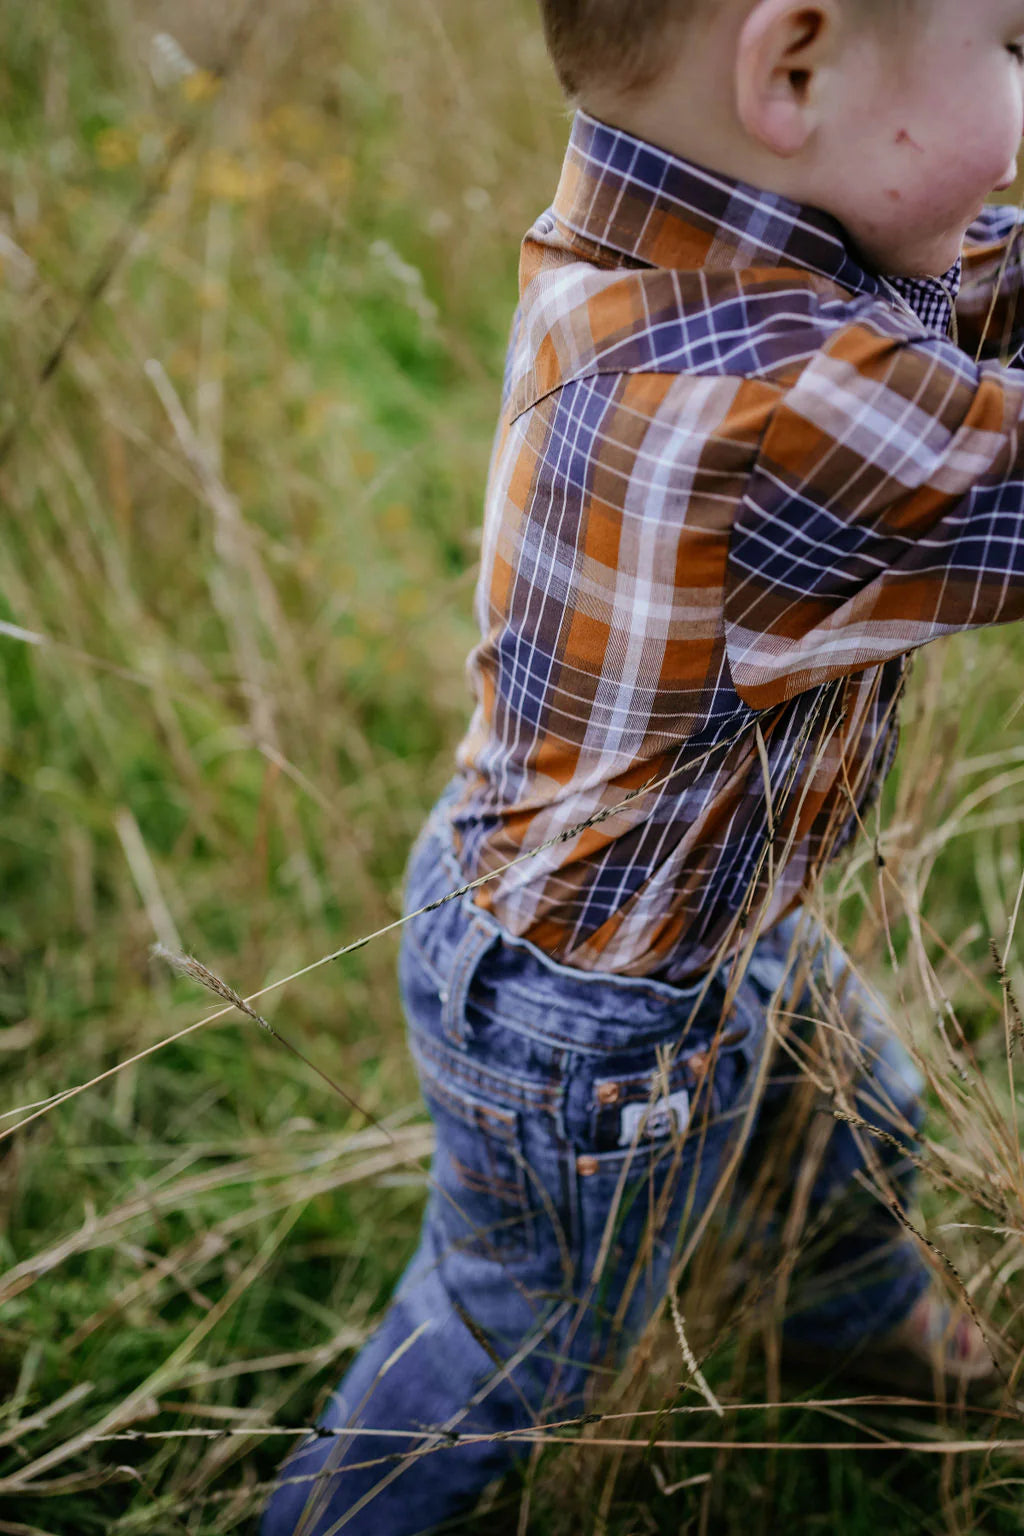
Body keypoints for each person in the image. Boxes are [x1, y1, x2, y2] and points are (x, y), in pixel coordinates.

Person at [263, 0, 1024, 1529]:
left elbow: (939, 262)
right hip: (597, 1011)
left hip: (609, 910)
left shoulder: (637, 227)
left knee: (849, 1105)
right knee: (515, 1337)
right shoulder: (783, 400)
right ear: (792, 66)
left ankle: (842, 1313)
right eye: (1015, 43)